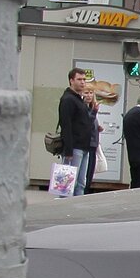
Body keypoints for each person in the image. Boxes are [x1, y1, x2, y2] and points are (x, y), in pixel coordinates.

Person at [57, 68, 95, 196]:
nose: (83, 82)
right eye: (79, 79)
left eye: (84, 79)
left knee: (81, 183)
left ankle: (76, 208)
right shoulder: (68, 99)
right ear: (71, 80)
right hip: (74, 147)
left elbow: (84, 122)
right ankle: (64, 206)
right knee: (67, 184)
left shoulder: (79, 99)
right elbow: (66, 125)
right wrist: (68, 150)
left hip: (84, 146)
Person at [81, 88, 103, 193]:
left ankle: (86, 190)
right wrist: (94, 112)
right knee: (86, 172)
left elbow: (91, 123)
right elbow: (86, 123)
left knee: (90, 171)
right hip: (87, 144)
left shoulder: (90, 108)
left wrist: (97, 127)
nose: (89, 95)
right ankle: (83, 192)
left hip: (93, 143)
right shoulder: (84, 108)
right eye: (86, 93)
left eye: (91, 93)